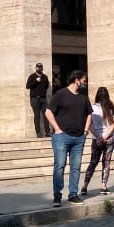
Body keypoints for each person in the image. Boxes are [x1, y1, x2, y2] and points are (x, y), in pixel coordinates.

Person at [45, 70, 93, 206]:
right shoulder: (61, 94)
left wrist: (85, 130)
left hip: (79, 138)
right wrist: (57, 129)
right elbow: (48, 112)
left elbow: (89, 114)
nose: (85, 83)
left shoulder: (83, 97)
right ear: (77, 80)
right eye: (83, 80)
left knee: (76, 167)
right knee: (59, 166)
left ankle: (73, 194)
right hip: (62, 136)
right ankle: (57, 196)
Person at [81, 87, 114, 196]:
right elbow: (113, 124)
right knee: (106, 163)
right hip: (109, 138)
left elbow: (89, 125)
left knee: (93, 162)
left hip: (96, 139)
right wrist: (105, 136)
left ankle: (84, 186)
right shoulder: (110, 107)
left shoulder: (92, 108)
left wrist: (99, 137)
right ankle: (103, 187)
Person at [26, 63, 50, 138]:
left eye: (41, 67)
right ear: (36, 68)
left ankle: (47, 132)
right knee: (37, 115)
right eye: (38, 67)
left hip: (43, 98)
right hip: (35, 99)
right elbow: (27, 86)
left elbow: (46, 86)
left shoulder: (45, 77)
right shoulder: (32, 76)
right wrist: (36, 81)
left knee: (46, 115)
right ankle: (38, 133)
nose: (40, 68)